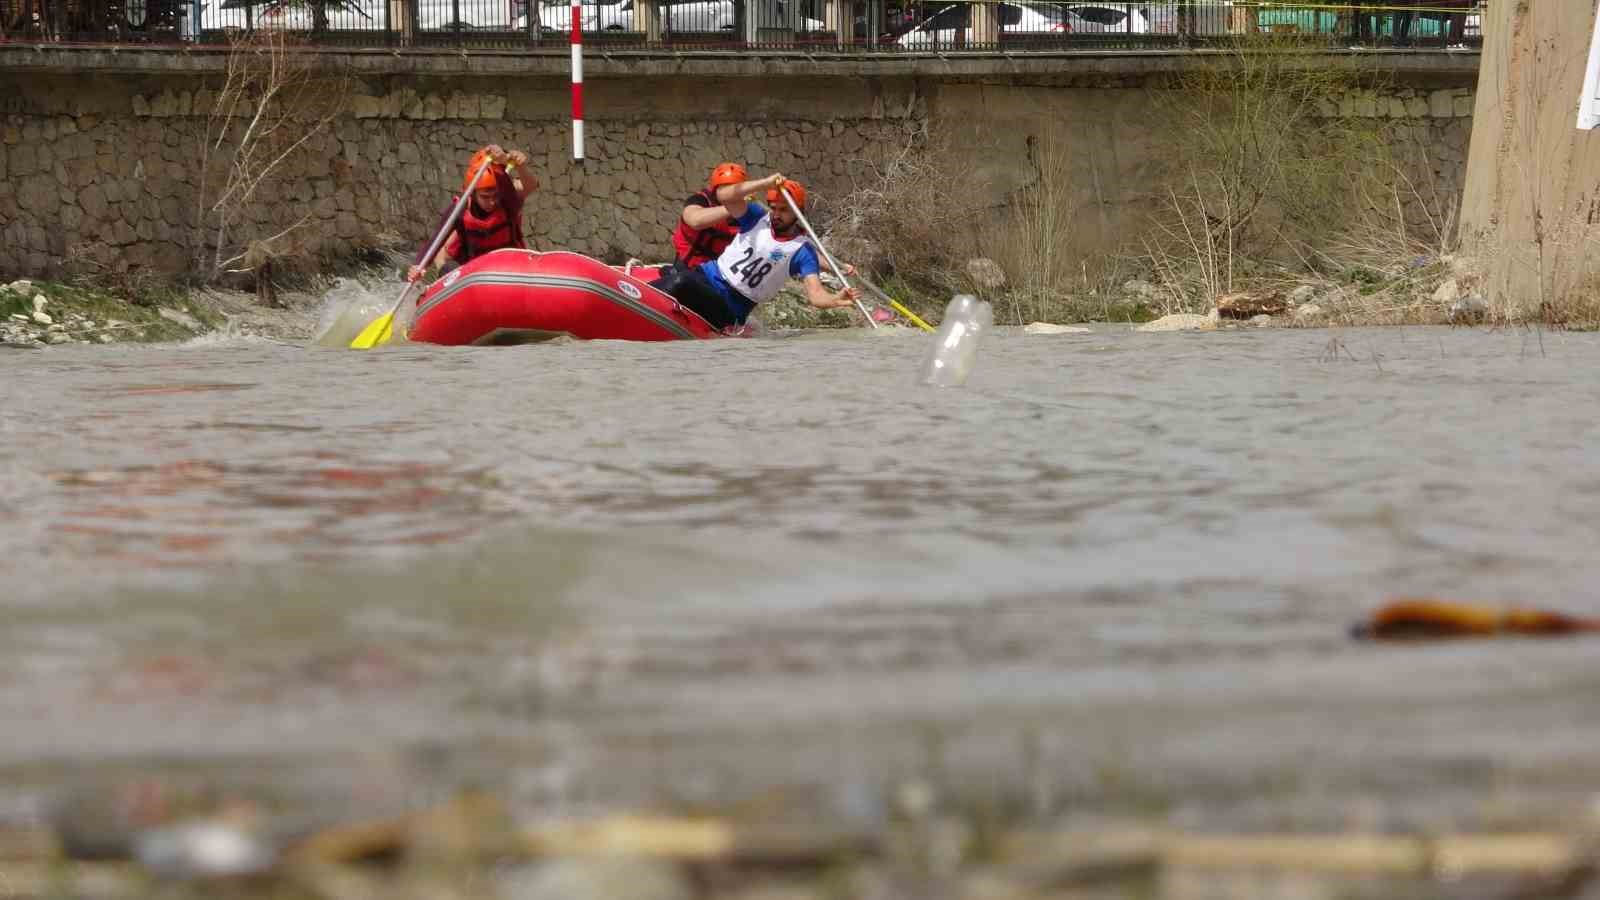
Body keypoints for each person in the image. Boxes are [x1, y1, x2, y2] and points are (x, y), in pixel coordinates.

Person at [650, 172, 859, 331]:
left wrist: (835, 300)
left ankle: (641, 299)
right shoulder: (756, 216)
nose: (776, 215)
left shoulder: (803, 251)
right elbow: (723, 194)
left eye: (784, 210)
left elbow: (816, 295)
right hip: (705, 276)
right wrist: (765, 183)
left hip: (730, 306)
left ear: (798, 213)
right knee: (678, 277)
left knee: (680, 283)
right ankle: (635, 298)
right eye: (774, 208)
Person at [408, 144, 539, 283]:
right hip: (475, 274)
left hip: (511, 266)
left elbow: (529, 186)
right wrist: (419, 266)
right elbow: (437, 238)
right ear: (473, 194)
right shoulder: (461, 207)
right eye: (485, 197)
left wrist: (518, 165)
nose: (492, 202)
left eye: (495, 196)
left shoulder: (507, 201)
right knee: (446, 264)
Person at [671, 162, 747, 270]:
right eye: (725, 188)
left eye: (735, 190)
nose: (730, 193)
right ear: (716, 189)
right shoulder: (700, 200)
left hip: (719, 273)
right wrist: (732, 209)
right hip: (686, 267)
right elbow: (695, 220)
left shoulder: (746, 212)